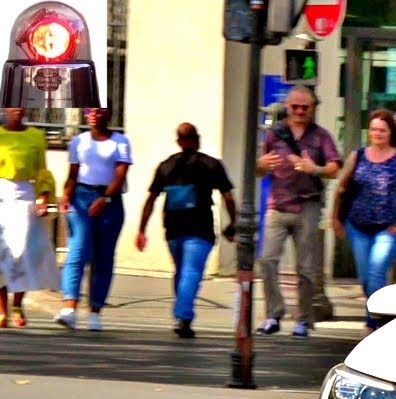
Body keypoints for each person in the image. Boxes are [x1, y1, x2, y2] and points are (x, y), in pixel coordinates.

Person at [135, 123, 237, 339]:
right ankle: (183, 315)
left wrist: (141, 229)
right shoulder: (211, 165)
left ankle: (183, 315)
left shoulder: (166, 166)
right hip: (200, 228)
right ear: (197, 139)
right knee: (191, 272)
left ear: (179, 141)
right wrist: (233, 223)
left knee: (181, 271)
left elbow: (151, 199)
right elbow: (227, 196)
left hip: (172, 228)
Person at [255, 85, 340, 338]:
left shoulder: (321, 136)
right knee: (267, 260)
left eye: (305, 107)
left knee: (306, 268)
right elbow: (260, 171)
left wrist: (314, 168)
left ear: (313, 108)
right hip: (277, 205)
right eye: (295, 107)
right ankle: (273, 314)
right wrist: (260, 165)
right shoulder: (274, 135)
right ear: (287, 107)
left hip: (307, 205)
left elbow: (335, 168)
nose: (300, 111)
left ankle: (303, 320)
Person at [331, 109, 396, 334]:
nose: (377, 134)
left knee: (376, 271)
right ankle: (384, 314)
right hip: (358, 225)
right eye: (374, 129)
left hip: (389, 228)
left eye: (382, 130)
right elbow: (342, 187)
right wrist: (334, 218)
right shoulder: (359, 155)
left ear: (391, 132)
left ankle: (373, 322)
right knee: (365, 277)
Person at [57, 107, 131, 331]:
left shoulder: (120, 141)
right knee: (78, 251)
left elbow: (120, 175)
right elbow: (72, 174)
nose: (92, 114)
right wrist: (67, 195)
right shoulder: (79, 141)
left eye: (98, 111)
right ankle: (69, 308)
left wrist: (105, 199)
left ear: (108, 114)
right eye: (88, 110)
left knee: (103, 257)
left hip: (110, 201)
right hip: (81, 196)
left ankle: (95, 312)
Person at [0, 107, 58, 328]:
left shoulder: (36, 136)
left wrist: (43, 196)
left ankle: (18, 304)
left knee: (23, 251)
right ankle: (2, 309)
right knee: (2, 253)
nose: (17, 110)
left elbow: (42, 171)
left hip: (25, 195)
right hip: (2, 194)